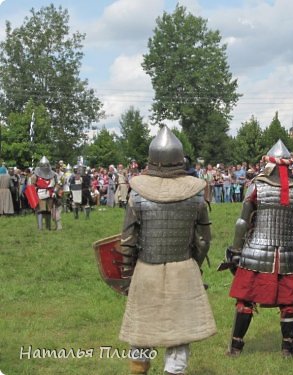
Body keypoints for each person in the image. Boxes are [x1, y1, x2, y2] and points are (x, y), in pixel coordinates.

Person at [118, 125, 216, 375]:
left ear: (153, 160)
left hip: (146, 269)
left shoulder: (137, 193)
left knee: (141, 330)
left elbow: (128, 239)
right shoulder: (195, 193)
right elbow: (204, 239)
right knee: (179, 333)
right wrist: (194, 263)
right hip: (183, 269)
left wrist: (127, 274)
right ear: (179, 159)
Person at [225, 139, 293, 357]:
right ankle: (288, 349)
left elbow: (242, 222)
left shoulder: (257, 186)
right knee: (289, 302)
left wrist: (235, 251)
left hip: (256, 251)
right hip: (289, 253)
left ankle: (236, 347)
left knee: (245, 299)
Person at [32, 156, 60, 230]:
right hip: (40, 194)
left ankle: (48, 227)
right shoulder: (35, 175)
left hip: (50, 194)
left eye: (46, 165)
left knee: (48, 210)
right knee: (40, 211)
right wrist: (34, 194)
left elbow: (57, 184)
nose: (45, 167)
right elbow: (32, 185)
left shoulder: (53, 175)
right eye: (43, 165)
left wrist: (55, 191)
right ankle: (40, 228)